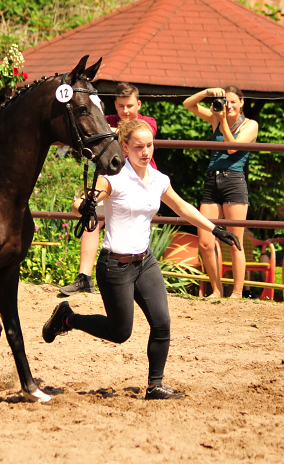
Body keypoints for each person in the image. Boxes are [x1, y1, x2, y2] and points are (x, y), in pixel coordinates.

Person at [42, 119, 240, 400]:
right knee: (120, 332)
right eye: (139, 147)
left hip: (145, 262)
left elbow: (182, 206)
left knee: (162, 323)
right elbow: (82, 202)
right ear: (124, 148)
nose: (146, 152)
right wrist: (82, 207)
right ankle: (67, 319)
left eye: (149, 145)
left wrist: (215, 228)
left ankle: (155, 385)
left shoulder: (158, 180)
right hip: (115, 266)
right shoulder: (113, 178)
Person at [60, 83, 157, 295]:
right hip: (112, 181)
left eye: (130, 106)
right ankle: (84, 277)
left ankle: (140, 276)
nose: (125, 111)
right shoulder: (107, 121)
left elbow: (126, 133)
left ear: (138, 104)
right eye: (121, 106)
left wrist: (104, 131)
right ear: (115, 105)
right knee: (90, 216)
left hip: (138, 184)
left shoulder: (146, 123)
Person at [183, 86, 258, 298]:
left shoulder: (250, 125)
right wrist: (207, 92)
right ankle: (216, 290)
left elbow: (232, 147)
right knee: (205, 241)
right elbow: (188, 104)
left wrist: (222, 119)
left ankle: (236, 293)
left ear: (242, 102)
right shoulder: (217, 118)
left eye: (234, 101)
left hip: (234, 181)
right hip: (211, 180)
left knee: (235, 241)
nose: (229, 106)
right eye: (226, 102)